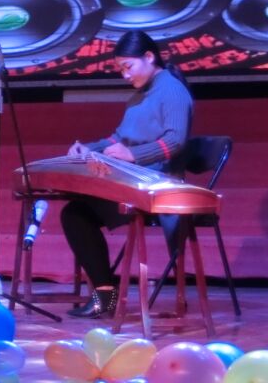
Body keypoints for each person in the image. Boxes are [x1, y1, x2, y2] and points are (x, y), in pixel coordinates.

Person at [61, 30, 192, 318]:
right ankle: (105, 294)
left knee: (77, 213)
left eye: (128, 67)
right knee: (75, 213)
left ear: (149, 57)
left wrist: (133, 155)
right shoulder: (138, 97)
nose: (125, 75)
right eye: (120, 69)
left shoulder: (172, 90)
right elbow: (118, 138)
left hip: (156, 186)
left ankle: (105, 297)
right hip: (133, 181)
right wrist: (88, 148)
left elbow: (176, 141)